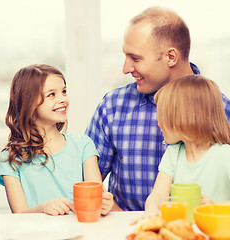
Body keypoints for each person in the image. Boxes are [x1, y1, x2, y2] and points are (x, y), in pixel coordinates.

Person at [85, 6, 230, 211]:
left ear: (170, 57)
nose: (125, 69)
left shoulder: (220, 109)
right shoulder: (112, 106)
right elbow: (85, 184)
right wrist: (117, 217)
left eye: (135, 58)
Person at [0, 64, 113, 215]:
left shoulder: (84, 146)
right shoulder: (11, 158)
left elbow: (96, 195)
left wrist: (103, 203)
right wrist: (43, 208)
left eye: (64, 91)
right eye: (52, 94)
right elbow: (20, 215)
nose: (63, 99)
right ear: (28, 103)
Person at [144, 74, 230, 216]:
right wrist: (152, 209)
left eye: (164, 116)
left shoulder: (224, 154)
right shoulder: (173, 153)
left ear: (184, 117)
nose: (159, 123)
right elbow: (158, 195)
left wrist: (215, 206)